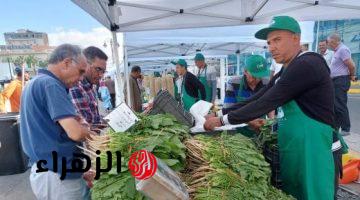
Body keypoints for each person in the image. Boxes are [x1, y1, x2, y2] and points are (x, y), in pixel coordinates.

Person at [204, 16, 344, 200]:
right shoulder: (286, 70)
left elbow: (267, 101)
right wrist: (219, 113)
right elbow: (258, 97)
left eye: (277, 40)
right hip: (296, 147)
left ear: (296, 38)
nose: (271, 47)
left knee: (315, 195)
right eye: (269, 42)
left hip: (315, 148)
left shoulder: (308, 63)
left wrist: (222, 121)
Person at [20, 44, 96, 199]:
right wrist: (91, 133)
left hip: (52, 171)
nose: (81, 79)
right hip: (56, 175)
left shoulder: (35, 82)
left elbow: (53, 132)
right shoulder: (51, 84)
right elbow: (75, 132)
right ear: (67, 63)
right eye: (81, 72)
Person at [69, 46, 108, 124]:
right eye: (98, 69)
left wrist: (108, 119)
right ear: (85, 64)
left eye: (103, 71)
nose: (101, 75)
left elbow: (93, 116)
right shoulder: (76, 87)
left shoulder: (91, 86)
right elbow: (86, 122)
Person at [328, 33, 357, 136]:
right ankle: (336, 127)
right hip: (335, 80)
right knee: (335, 105)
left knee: (340, 104)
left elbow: (351, 65)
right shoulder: (337, 51)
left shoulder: (343, 50)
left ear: (335, 41)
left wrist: (352, 75)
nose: (329, 44)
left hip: (341, 80)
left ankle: (346, 128)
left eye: (330, 42)